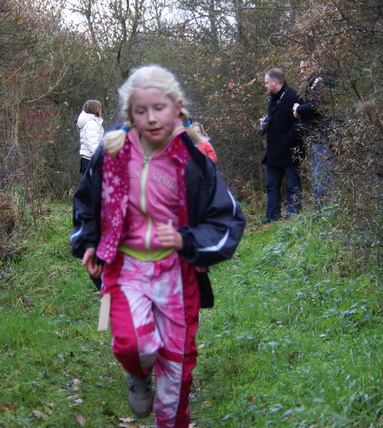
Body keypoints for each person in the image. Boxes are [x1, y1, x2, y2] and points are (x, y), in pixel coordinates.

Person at [71, 65, 245, 428]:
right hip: (124, 269)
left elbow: (228, 220)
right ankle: (137, 373)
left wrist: (187, 240)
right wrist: (89, 242)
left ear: (177, 108)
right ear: (129, 113)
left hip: (178, 276)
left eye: (159, 108)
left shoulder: (195, 161)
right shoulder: (112, 151)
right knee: (134, 345)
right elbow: (87, 202)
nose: (151, 119)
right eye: (141, 110)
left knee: (176, 367)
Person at [258, 68, 303, 223]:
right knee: (271, 187)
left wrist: (286, 142)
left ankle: (293, 219)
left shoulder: (293, 96)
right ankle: (271, 219)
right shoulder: (273, 98)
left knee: (293, 187)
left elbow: (298, 124)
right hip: (273, 152)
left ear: (275, 82)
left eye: (267, 82)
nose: (265, 86)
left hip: (290, 151)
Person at [293, 58, 332, 206]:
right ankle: (321, 210)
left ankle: (324, 210)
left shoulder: (321, 83)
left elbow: (316, 105)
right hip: (315, 136)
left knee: (322, 174)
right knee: (318, 173)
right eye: (301, 68)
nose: (302, 71)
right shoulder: (310, 86)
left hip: (323, 135)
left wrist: (299, 109)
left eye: (305, 68)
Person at [78, 100, 104, 174]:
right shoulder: (92, 124)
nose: (101, 111)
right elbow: (93, 143)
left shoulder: (91, 123)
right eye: (100, 109)